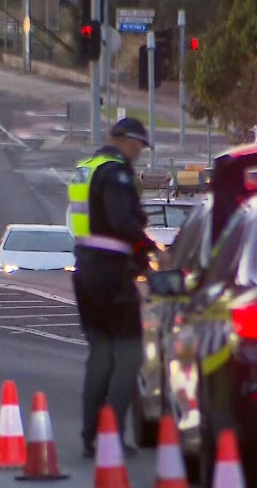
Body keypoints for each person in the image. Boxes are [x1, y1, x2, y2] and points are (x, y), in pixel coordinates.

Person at [66, 117, 160, 458]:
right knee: (130, 353)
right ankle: (112, 436)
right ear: (127, 141)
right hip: (111, 274)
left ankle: (92, 436)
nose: (137, 153)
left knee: (101, 354)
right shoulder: (117, 172)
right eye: (137, 146)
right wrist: (149, 246)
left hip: (85, 270)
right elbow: (121, 222)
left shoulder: (87, 167)